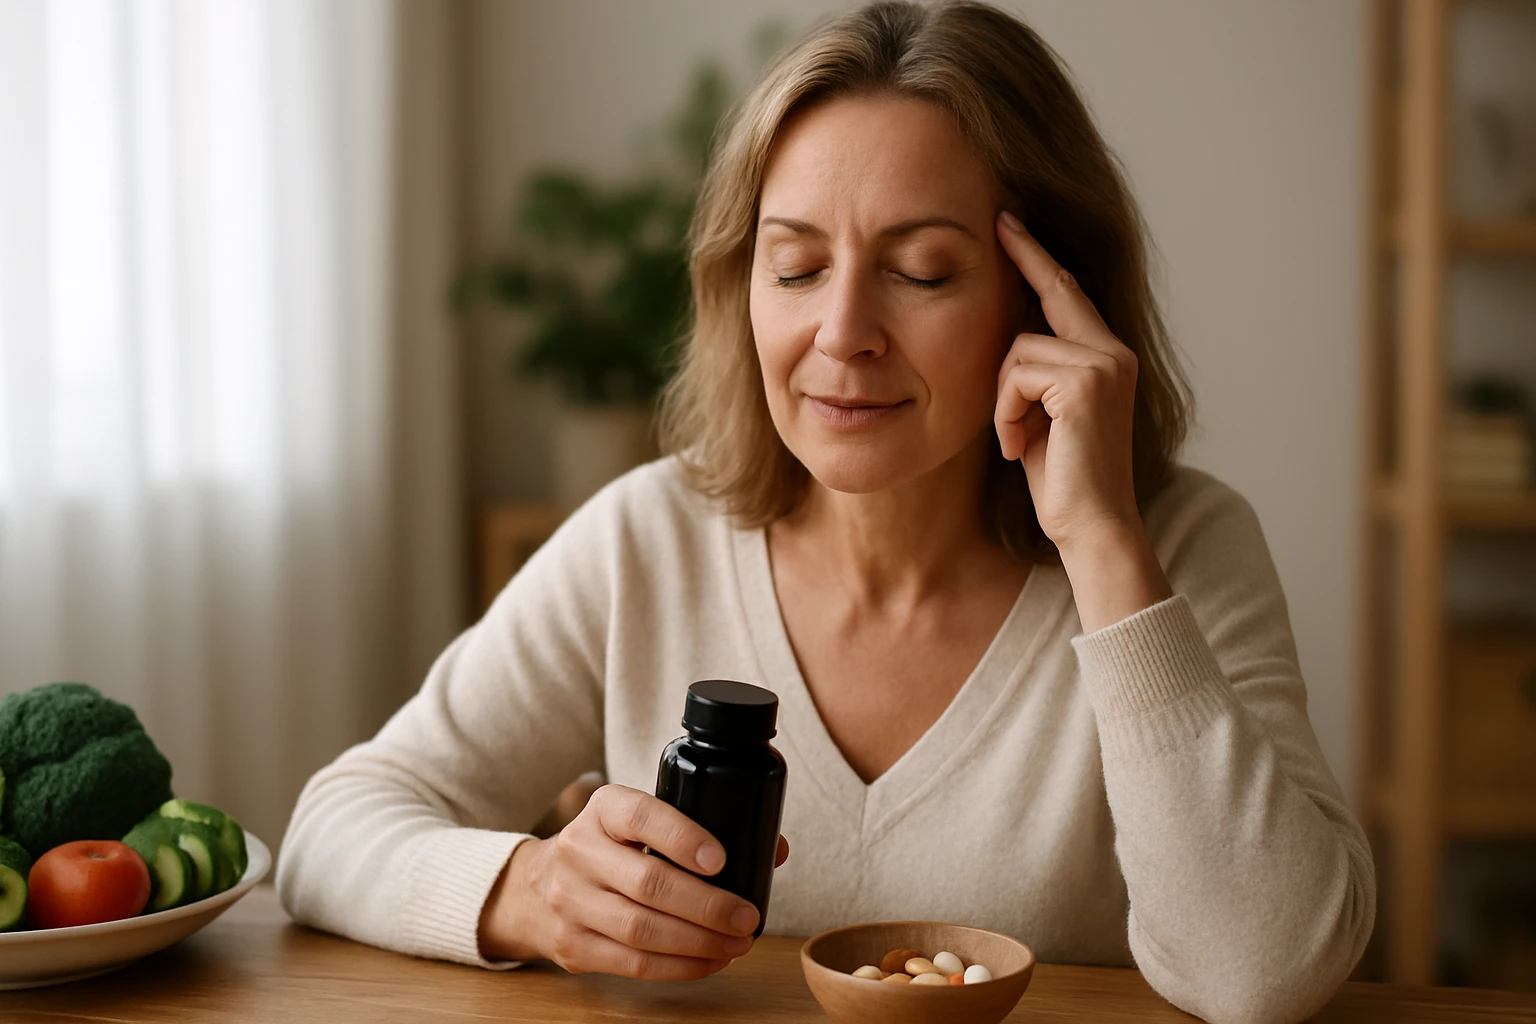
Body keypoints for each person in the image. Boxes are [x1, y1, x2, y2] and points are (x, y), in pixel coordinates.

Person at [277, 3, 1375, 1022]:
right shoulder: (645, 542)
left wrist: (1102, 548)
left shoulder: (1178, 547)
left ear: (1046, 300)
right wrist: (530, 889)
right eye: (796, 265)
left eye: (924, 271)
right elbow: (330, 832)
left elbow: (1264, 970)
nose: (842, 331)